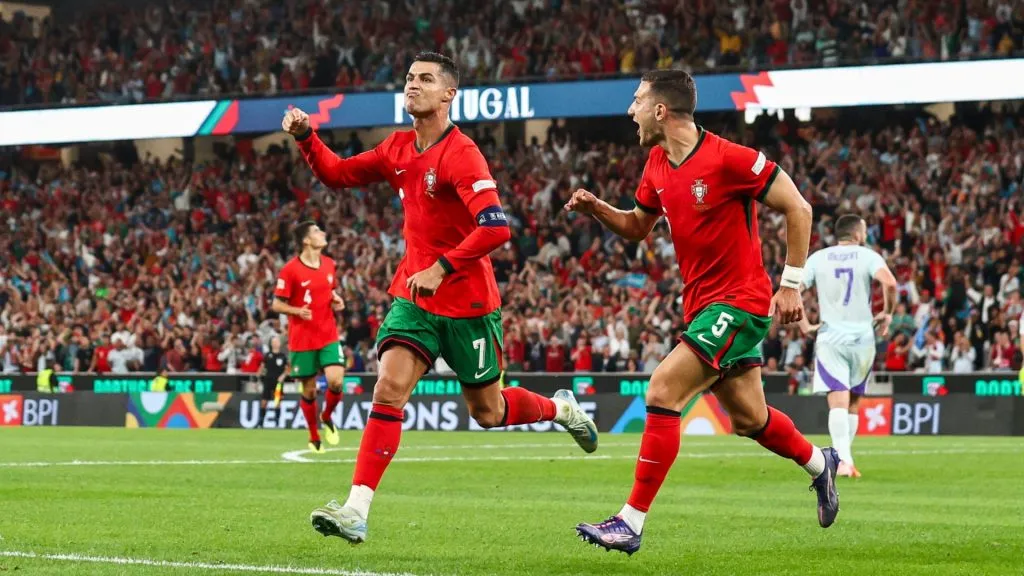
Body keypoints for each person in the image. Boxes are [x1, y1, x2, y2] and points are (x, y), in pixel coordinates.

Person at [283, 51, 597, 545]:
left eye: (426, 79)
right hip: (415, 299)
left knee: (488, 412)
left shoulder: (462, 153)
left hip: (470, 304)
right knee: (388, 389)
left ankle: (562, 410)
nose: (413, 85)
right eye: (409, 78)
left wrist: (443, 266)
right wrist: (307, 137)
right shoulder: (396, 148)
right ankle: (356, 509)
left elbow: (496, 228)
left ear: (449, 94)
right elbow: (337, 175)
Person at [566, 69, 839, 555]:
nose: (630, 110)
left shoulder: (728, 159)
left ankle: (630, 521)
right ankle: (821, 463)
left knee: (663, 388)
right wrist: (597, 209)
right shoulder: (655, 163)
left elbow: (799, 208)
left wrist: (791, 284)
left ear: (660, 110)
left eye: (636, 100)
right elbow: (637, 228)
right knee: (750, 419)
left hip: (740, 302)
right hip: (701, 307)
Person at [800, 214, 897, 478]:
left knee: (839, 400)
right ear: (857, 234)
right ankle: (845, 459)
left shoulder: (819, 258)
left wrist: (805, 324)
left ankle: (842, 460)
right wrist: (888, 312)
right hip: (863, 338)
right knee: (853, 400)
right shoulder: (867, 255)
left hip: (831, 337)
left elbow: (795, 289)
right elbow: (889, 282)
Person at [271, 221, 347, 454]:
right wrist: (296, 311)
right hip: (302, 338)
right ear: (306, 240)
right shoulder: (290, 270)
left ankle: (327, 416)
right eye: (316, 231)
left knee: (336, 380)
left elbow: (328, 288)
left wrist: (336, 298)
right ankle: (314, 437)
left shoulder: (330, 264)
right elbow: (276, 304)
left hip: (327, 333)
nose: (322, 233)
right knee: (310, 390)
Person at [258, 336, 290, 427]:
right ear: (271, 344)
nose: (276, 343)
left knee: (277, 402)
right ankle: (261, 422)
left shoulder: (283, 356)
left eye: (277, 341)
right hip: (268, 380)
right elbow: (262, 367)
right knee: (264, 401)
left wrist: (283, 376)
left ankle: (277, 423)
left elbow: (288, 369)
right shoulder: (267, 355)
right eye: (274, 341)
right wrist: (258, 378)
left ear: (280, 344)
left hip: (278, 382)